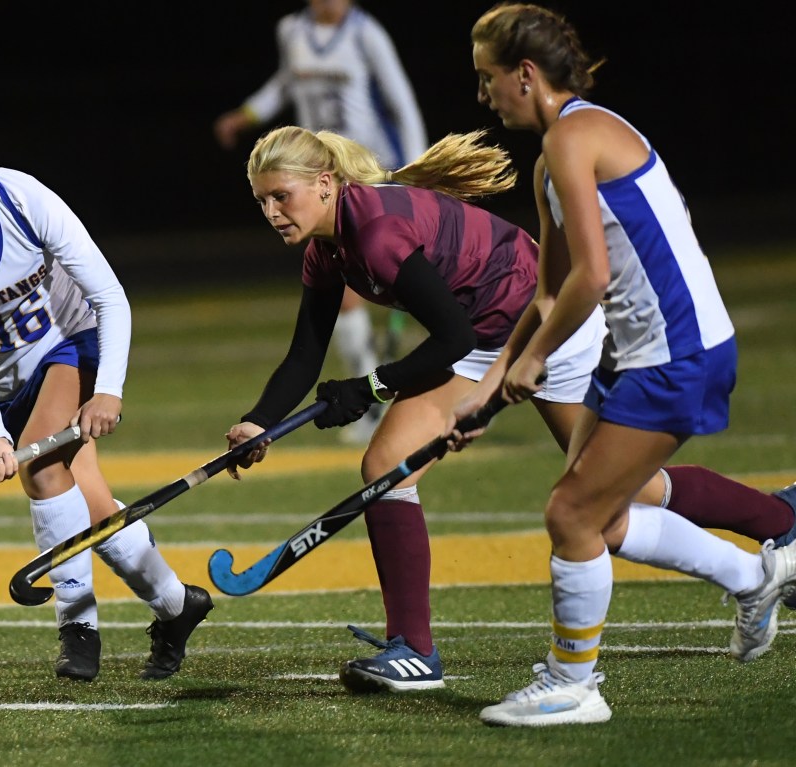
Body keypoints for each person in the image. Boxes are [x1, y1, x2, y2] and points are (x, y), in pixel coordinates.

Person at [222, 124, 796, 702]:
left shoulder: (374, 232)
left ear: (325, 184)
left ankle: (779, 520)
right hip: (481, 340)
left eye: (281, 196)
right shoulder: (326, 250)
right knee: (387, 467)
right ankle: (414, 650)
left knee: (628, 492)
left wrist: (369, 387)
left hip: (546, 331)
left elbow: (451, 337)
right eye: (261, 201)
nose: (272, 213)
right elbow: (306, 352)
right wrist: (259, 423)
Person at [457, 2, 796, 726]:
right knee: (605, 518)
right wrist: (489, 385)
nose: (484, 95)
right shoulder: (557, 154)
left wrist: (536, 361)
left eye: (488, 78)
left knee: (570, 512)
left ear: (526, 74)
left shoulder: (575, 136)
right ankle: (754, 577)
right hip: (639, 351)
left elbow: (594, 275)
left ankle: (573, 685)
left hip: (676, 354)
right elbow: (549, 292)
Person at [0, 99, 213, 683]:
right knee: (92, 505)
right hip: (10, 386)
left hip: (71, 345)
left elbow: (108, 296)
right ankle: (177, 604)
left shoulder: (21, 198)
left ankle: (77, 626)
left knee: (42, 471)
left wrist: (109, 389)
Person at [213, 0, 429, 444]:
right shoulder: (291, 30)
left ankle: (460, 376)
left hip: (370, 176)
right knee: (343, 289)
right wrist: (248, 114)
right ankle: (373, 405)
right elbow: (284, 84)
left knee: (416, 286)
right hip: (316, 181)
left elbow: (402, 103)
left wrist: (417, 171)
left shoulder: (365, 33)